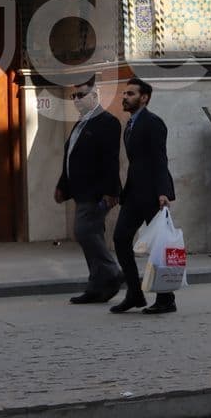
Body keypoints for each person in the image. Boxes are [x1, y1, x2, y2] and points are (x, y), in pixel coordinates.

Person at [111, 77, 177, 315]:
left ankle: (166, 298)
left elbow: (160, 159)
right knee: (120, 239)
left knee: (158, 246)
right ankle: (134, 293)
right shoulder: (129, 125)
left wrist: (163, 192)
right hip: (134, 195)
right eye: (125, 94)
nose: (125, 97)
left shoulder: (153, 123)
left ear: (144, 98)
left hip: (152, 195)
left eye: (130, 94)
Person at [54, 78, 124, 304]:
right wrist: (62, 185)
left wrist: (111, 191)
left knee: (84, 232)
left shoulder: (107, 122)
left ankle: (112, 272)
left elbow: (111, 161)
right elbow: (71, 157)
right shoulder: (81, 123)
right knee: (90, 233)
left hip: (97, 192)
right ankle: (97, 286)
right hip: (80, 191)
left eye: (81, 95)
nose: (76, 100)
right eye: (74, 96)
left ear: (95, 96)